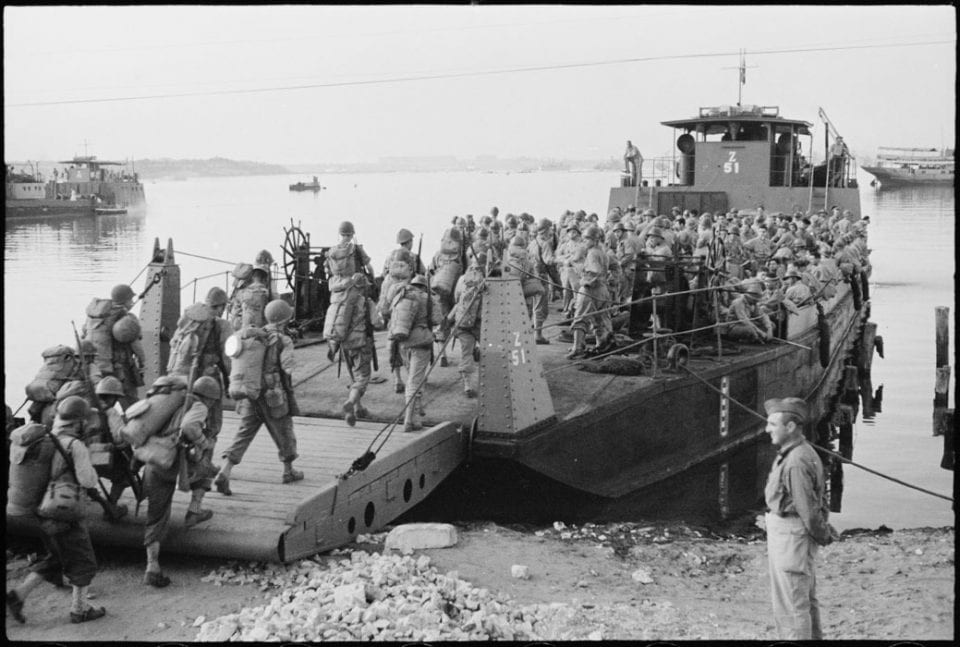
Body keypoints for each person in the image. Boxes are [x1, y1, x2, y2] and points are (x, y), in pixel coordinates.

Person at [6, 396, 107, 624]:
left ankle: (18, 596)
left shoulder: (43, 438)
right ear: (77, 422)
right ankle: (80, 610)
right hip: (60, 512)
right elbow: (88, 481)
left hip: (32, 512)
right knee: (83, 559)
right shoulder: (74, 445)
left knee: (58, 556)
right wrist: (93, 467)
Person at [763, 397, 838, 640]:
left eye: (773, 425)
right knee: (804, 599)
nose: (767, 430)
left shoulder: (796, 460)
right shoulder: (802, 452)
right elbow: (811, 503)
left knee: (792, 605)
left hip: (791, 538)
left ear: (791, 427)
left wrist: (823, 534)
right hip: (790, 534)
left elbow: (807, 510)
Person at [140, 376, 222, 588]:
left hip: (153, 456)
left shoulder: (172, 404)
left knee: (156, 513)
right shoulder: (198, 406)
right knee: (207, 468)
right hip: (171, 463)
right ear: (210, 398)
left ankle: (152, 564)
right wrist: (204, 443)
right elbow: (189, 427)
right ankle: (194, 511)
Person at [215, 300, 302, 495]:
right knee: (284, 431)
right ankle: (288, 471)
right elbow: (287, 367)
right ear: (284, 320)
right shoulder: (283, 340)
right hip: (273, 396)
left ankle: (225, 470)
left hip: (250, 393)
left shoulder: (253, 336)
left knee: (244, 432)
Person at [389, 274, 443, 432]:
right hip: (421, 342)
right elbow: (437, 320)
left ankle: (417, 416)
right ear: (424, 286)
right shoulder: (428, 298)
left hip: (403, 342)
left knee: (412, 379)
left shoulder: (401, 295)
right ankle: (408, 420)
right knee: (415, 382)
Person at [330, 273, 383, 426]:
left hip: (345, 345)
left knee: (354, 376)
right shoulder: (367, 302)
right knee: (363, 377)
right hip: (361, 343)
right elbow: (376, 322)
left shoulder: (343, 301)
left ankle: (359, 409)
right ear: (364, 286)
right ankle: (350, 402)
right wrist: (381, 320)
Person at [567, 225, 612, 359]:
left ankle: (578, 348)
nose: (584, 241)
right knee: (600, 319)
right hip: (603, 290)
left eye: (587, 239)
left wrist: (580, 272)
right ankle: (602, 345)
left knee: (580, 318)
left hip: (590, 289)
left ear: (595, 239)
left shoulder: (592, 253)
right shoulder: (603, 252)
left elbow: (595, 271)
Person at [449, 251, 487, 398]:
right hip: (481, 323)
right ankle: (488, 382)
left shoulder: (462, 279)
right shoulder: (488, 279)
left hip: (463, 322)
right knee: (490, 352)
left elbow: (456, 298)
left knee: (466, 354)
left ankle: (467, 385)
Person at [528, 218, 556, 344]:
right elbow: (549, 261)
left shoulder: (533, 242)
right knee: (541, 307)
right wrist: (562, 260)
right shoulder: (545, 244)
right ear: (546, 229)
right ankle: (538, 335)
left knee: (534, 305)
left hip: (532, 276)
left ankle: (534, 330)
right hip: (541, 277)